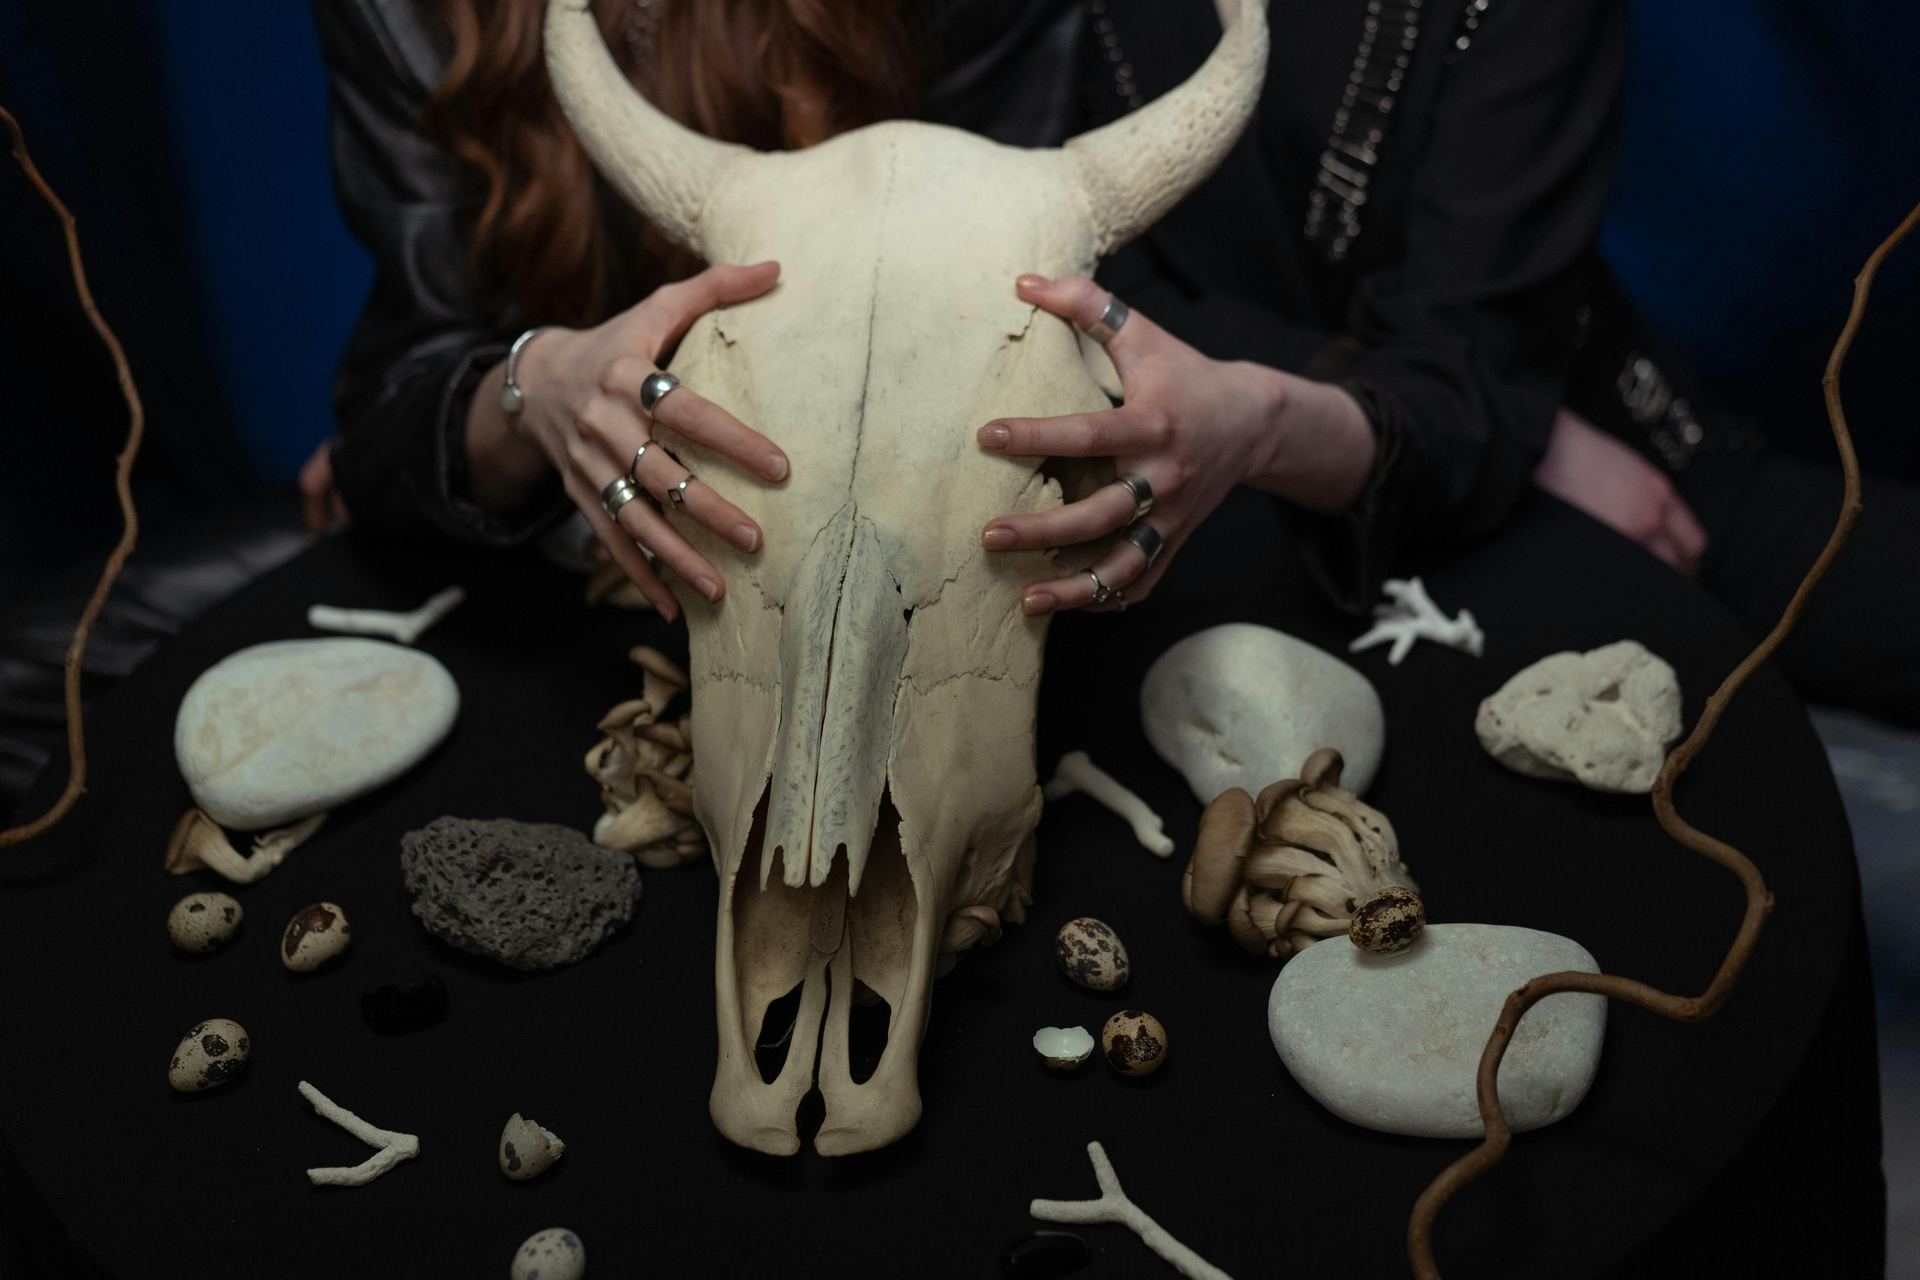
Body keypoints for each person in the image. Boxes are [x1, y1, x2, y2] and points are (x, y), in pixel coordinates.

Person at [308, 0, 1916, 722]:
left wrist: (1497, 415)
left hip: (1447, 428)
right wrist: (513, 393)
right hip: (1257, 437)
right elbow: (401, 398)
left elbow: (1044, 274)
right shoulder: (411, 25)